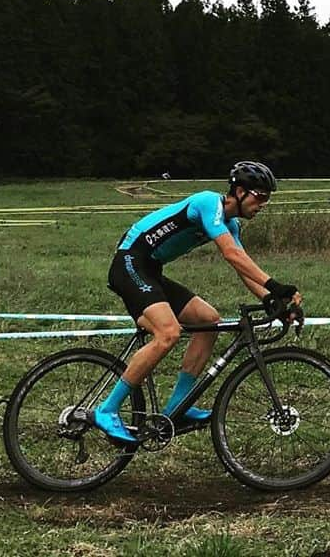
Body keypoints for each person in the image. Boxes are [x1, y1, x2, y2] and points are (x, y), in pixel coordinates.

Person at [93, 160, 299, 446]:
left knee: (208, 321)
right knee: (168, 333)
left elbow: (243, 269)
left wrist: (272, 299)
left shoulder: (231, 224)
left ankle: (178, 407)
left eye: (267, 198)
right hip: (130, 261)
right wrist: (275, 286)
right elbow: (231, 255)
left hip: (150, 270)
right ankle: (106, 409)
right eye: (260, 196)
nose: (263, 203)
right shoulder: (207, 203)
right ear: (239, 192)